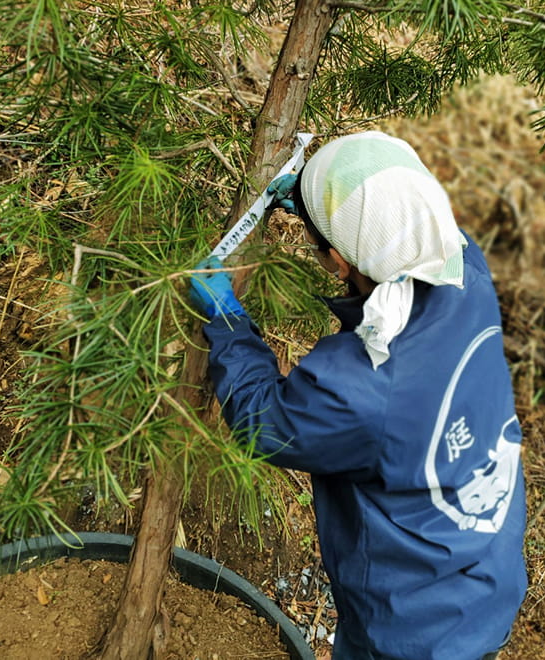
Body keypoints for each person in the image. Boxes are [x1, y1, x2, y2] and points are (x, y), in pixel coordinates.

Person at [189, 131, 527, 660]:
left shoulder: (362, 384)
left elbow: (265, 421)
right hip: (486, 575)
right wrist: (307, 201)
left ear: (339, 262)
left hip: (411, 631)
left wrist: (229, 323)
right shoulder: (469, 272)